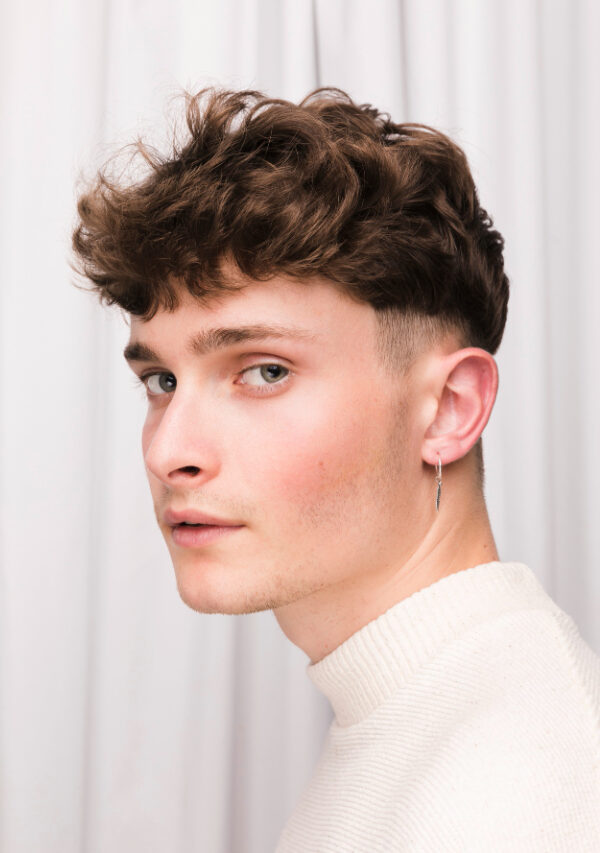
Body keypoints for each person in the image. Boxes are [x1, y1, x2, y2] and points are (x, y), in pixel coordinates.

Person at [72, 87, 600, 851]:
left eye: (263, 372)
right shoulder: (412, 712)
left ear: (450, 408)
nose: (166, 451)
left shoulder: (518, 789)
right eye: (162, 380)